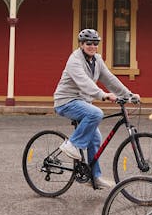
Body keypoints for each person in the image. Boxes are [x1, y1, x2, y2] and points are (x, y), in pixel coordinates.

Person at [53, 28, 140, 190]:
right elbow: (83, 82)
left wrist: (129, 94)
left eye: (95, 43)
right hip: (66, 101)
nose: (92, 46)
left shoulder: (97, 60)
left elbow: (110, 79)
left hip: (83, 103)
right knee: (96, 113)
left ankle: (94, 177)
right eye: (88, 43)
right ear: (81, 44)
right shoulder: (74, 60)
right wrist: (103, 95)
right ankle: (71, 145)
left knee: (95, 138)